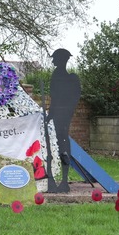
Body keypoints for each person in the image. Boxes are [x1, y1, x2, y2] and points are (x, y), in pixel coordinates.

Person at [46, 48, 80, 192]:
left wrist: (53, 115)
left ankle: (63, 181)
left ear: (61, 60)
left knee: (62, 144)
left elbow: (61, 99)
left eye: (55, 58)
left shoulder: (65, 77)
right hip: (61, 115)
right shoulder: (58, 75)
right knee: (58, 142)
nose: (53, 61)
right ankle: (55, 180)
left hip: (62, 116)